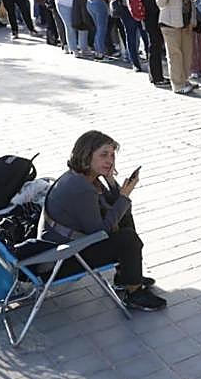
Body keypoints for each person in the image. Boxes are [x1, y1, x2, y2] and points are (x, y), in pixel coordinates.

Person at [40, 131, 166, 312]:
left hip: (67, 247)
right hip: (61, 259)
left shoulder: (85, 178)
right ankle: (134, 294)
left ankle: (127, 277)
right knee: (128, 239)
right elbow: (100, 233)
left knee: (124, 218)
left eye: (112, 155)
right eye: (104, 155)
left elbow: (117, 210)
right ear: (86, 155)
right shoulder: (82, 188)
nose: (110, 160)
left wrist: (111, 181)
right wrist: (124, 197)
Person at [155, 0, 196, 93]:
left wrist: (192, 21)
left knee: (186, 53)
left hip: (184, 24)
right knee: (175, 54)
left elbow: (191, 3)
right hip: (169, 24)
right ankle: (177, 85)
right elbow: (160, 3)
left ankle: (184, 79)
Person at [111, 0, 145, 72]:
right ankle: (134, 62)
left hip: (140, 8)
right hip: (126, 9)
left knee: (145, 35)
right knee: (131, 34)